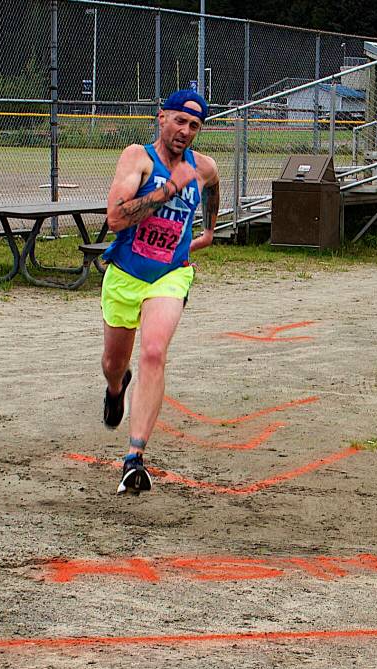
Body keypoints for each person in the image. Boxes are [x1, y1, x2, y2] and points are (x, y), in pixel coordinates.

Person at [99, 89, 220, 495]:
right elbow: (115, 218)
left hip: (170, 273)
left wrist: (208, 230)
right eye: (180, 122)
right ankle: (116, 389)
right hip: (125, 273)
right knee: (114, 363)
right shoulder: (138, 158)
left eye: (194, 126)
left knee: (154, 350)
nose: (185, 132)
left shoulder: (202, 168)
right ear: (161, 118)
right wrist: (168, 189)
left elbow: (213, 185)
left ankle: (134, 458)